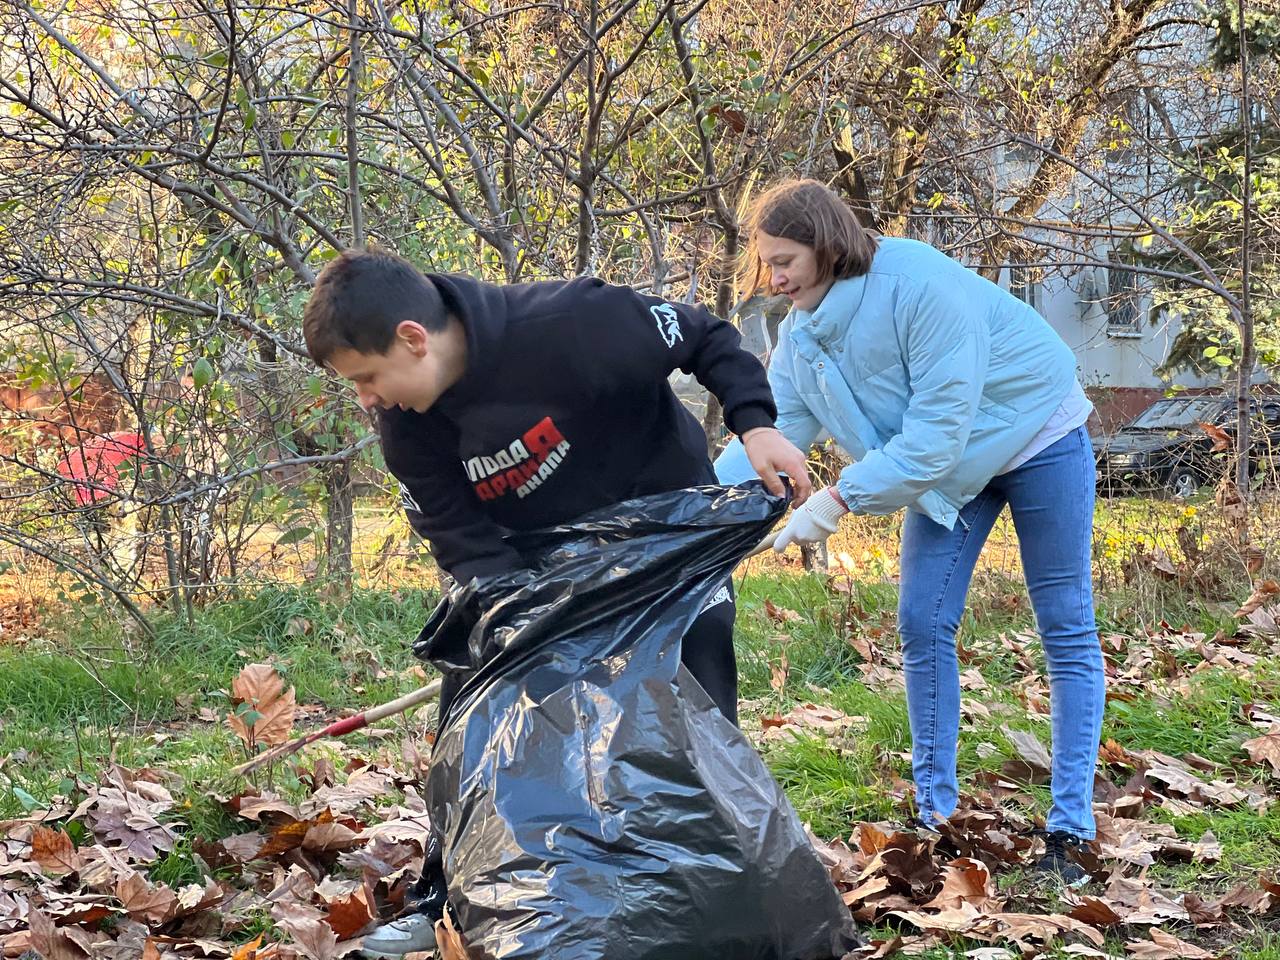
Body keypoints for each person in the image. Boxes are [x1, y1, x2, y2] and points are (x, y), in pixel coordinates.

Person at [301, 247, 812, 957]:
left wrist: (756, 426)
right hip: (536, 568)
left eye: (366, 377)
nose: (365, 399)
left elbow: (706, 337)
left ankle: (720, 901)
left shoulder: (573, 322)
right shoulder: (408, 425)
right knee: (475, 710)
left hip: (664, 541)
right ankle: (448, 901)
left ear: (413, 338)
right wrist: (524, 619)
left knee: (691, 709)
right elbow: (459, 536)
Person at [715, 179, 1104, 886]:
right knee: (922, 623)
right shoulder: (800, 335)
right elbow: (778, 433)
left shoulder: (921, 287)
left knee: (1065, 622)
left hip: (1036, 435)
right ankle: (936, 818)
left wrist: (837, 499)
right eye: (766, 263)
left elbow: (932, 440)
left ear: (827, 247)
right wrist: (705, 503)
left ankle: (1070, 833)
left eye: (785, 261)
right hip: (950, 468)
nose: (773, 280)